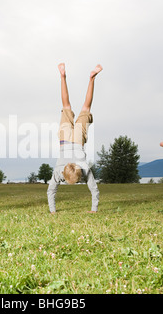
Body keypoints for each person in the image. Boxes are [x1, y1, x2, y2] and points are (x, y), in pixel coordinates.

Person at [47, 63, 102, 214]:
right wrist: (93, 210)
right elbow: (94, 189)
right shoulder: (79, 170)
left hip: (77, 140)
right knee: (66, 106)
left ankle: (91, 78)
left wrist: (53, 212)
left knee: (85, 107)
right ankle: (63, 76)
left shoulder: (62, 171)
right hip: (65, 140)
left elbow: (51, 191)